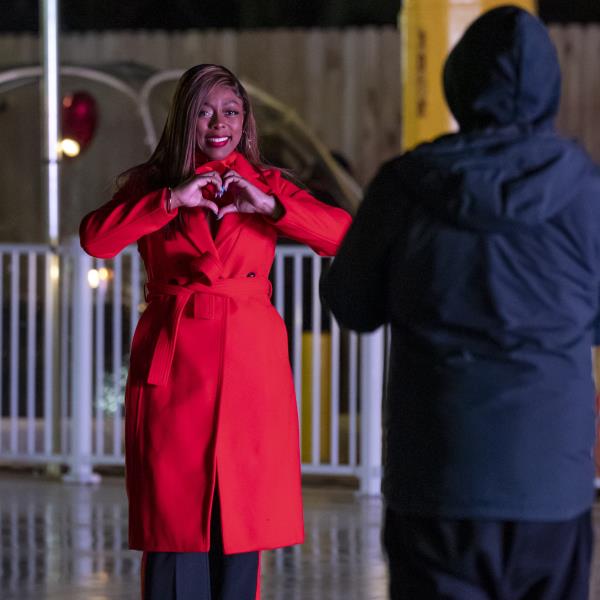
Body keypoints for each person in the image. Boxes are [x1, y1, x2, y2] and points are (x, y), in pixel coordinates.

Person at [321, 7, 600, 600]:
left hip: (438, 474)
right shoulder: (585, 192)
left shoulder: (405, 185)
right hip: (551, 479)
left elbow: (351, 303)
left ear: (459, 80)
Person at [79, 63, 351, 600]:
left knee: (241, 523)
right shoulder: (151, 185)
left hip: (250, 369)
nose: (218, 123)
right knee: (176, 526)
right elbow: (96, 240)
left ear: (245, 119)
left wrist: (270, 207)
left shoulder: (269, 185)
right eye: (204, 111)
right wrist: (171, 201)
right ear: (185, 119)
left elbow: (341, 235)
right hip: (175, 368)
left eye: (230, 111)